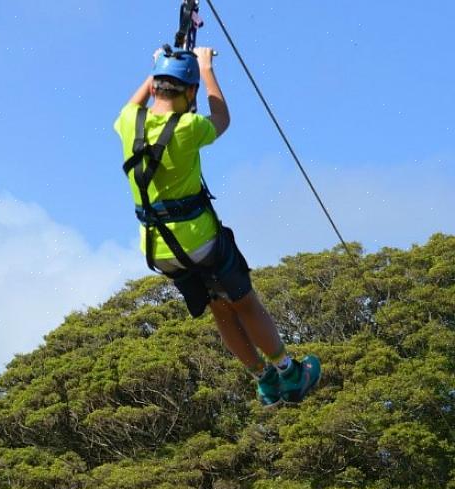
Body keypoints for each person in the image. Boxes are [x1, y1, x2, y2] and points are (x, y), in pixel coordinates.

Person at [114, 46, 320, 406]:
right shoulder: (189, 128)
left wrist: (160, 64)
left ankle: (263, 379)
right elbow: (221, 118)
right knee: (244, 303)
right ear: (189, 92)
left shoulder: (128, 121)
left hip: (159, 249)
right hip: (199, 241)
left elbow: (141, 97)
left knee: (219, 309)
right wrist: (206, 68)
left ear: (156, 87)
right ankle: (288, 371)